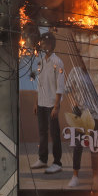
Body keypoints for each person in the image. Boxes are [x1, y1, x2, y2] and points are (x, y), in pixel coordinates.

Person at [29, 32, 65, 174]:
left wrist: (56, 106)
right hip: (42, 103)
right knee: (42, 132)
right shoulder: (41, 62)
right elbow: (40, 84)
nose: (42, 45)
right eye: (41, 43)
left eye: (44, 42)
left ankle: (57, 163)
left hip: (52, 105)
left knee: (54, 134)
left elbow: (60, 85)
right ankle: (42, 159)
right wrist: (35, 103)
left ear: (50, 44)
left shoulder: (58, 62)